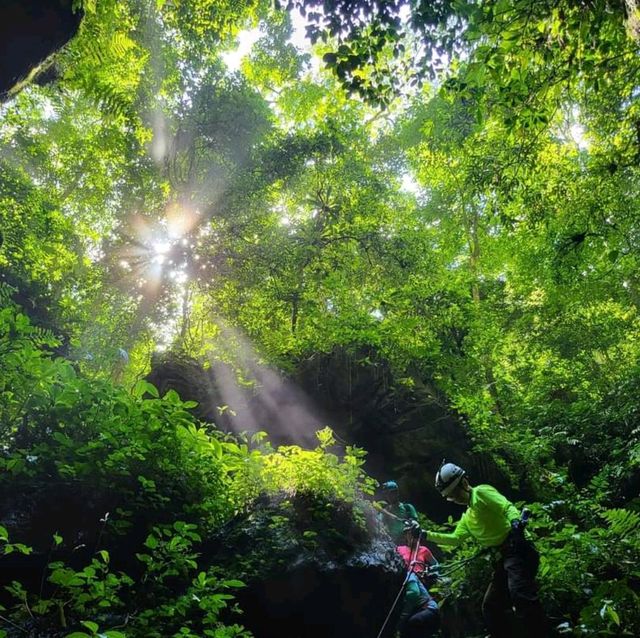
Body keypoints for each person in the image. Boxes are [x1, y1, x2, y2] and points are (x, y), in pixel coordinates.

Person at [424, 461, 548, 638]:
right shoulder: (467, 517)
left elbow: (506, 506)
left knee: (520, 595)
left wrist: (515, 521)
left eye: (454, 493)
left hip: (517, 548)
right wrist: (424, 534)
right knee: (491, 606)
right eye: (450, 497)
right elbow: (454, 539)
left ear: (464, 483)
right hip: (503, 559)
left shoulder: (481, 492)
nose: (454, 498)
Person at [396, 522, 440, 638]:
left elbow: (435, 564)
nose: (411, 537)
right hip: (407, 579)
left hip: (419, 579)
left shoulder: (424, 550)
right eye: (408, 534)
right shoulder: (399, 549)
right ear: (405, 536)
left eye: (413, 534)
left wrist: (432, 572)